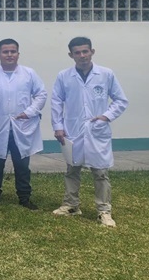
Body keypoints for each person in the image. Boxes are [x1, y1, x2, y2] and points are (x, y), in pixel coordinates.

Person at [51, 37, 128, 227]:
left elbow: (121, 100)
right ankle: (71, 205)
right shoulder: (64, 76)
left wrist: (106, 116)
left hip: (96, 130)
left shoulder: (106, 74)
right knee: (72, 169)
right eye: (77, 52)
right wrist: (58, 126)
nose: (82, 55)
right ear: (71, 55)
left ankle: (104, 211)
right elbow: (56, 101)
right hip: (73, 130)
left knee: (100, 172)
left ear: (92, 52)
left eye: (85, 51)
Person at [0, 39, 47, 209]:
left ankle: (24, 197)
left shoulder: (29, 73)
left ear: (18, 54)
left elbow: (41, 94)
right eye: (5, 52)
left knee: (22, 165)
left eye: (13, 51)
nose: (9, 55)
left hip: (21, 126)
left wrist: (30, 112)